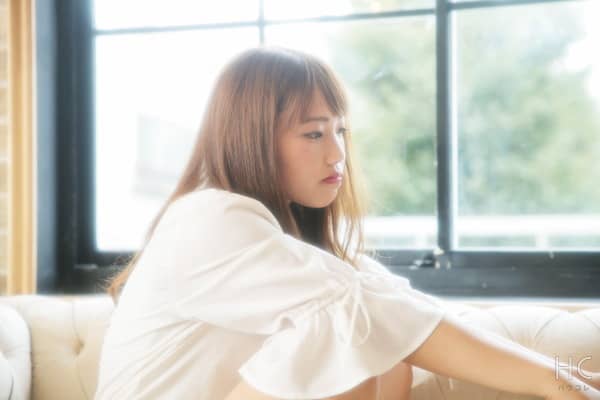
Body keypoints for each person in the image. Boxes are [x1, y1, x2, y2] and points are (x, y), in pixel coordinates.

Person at [94, 46, 600, 400]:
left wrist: (564, 374)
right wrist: (553, 382)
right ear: (252, 138)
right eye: (314, 134)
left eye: (341, 132)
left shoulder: (296, 247)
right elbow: (360, 312)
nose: (338, 154)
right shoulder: (209, 217)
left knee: (383, 337)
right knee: (348, 332)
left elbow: (409, 314)